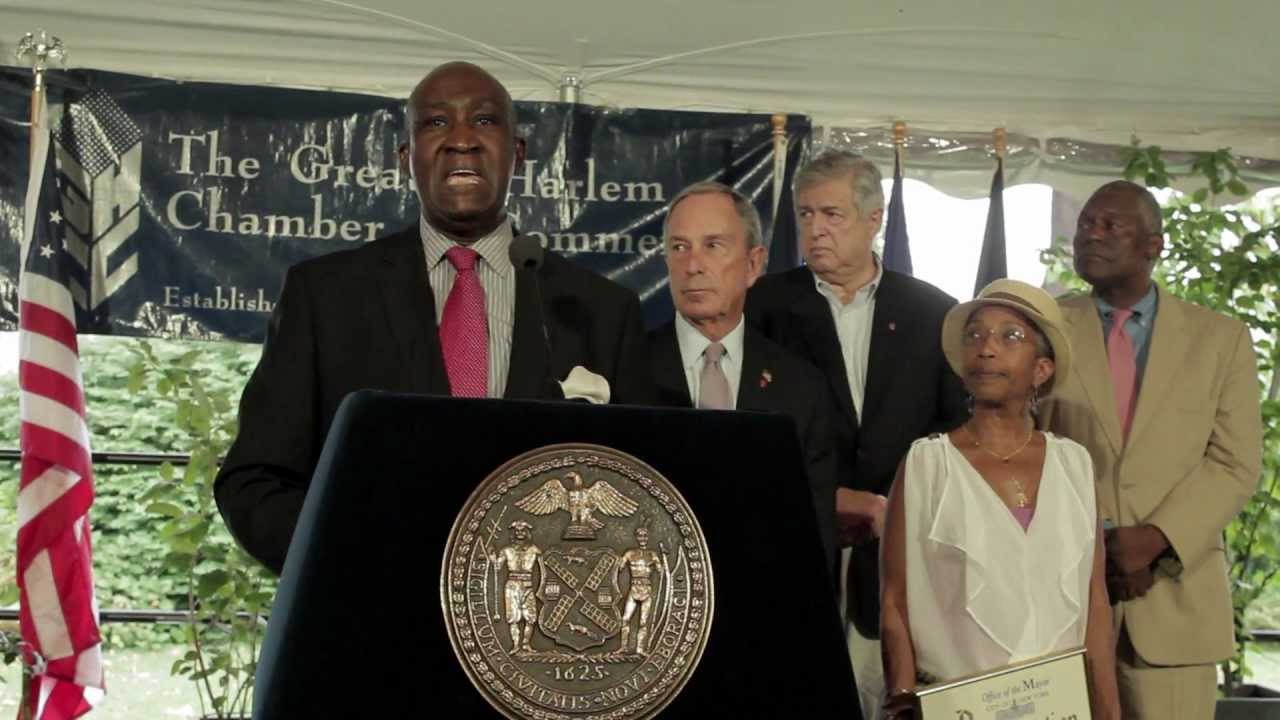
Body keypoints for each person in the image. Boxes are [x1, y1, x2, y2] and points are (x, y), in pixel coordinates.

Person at [215, 62, 652, 574]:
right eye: (436, 123)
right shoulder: (326, 296)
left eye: (485, 121)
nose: (461, 139)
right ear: (406, 157)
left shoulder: (599, 309)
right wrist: (344, 559)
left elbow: (647, 485)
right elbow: (254, 480)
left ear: (518, 154)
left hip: (541, 630)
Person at [744, 150, 966, 716]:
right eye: (806, 214)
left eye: (833, 215)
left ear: (875, 219)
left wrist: (896, 506)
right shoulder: (763, 306)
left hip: (898, 556)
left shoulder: (933, 312)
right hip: (797, 546)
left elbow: (954, 436)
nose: (816, 229)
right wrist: (831, 498)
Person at [1041, 181, 1262, 718]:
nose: (1091, 233)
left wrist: (1158, 538)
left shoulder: (1221, 339)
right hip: (1060, 605)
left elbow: (1235, 463)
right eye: (1086, 223)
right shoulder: (1046, 330)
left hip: (1173, 605)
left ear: (1153, 246)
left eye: (1110, 225)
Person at [879, 279, 1121, 720]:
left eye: (1010, 336)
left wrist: (1108, 710)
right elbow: (895, 601)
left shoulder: (1074, 465)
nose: (987, 348)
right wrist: (902, 699)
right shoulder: (928, 464)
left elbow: (1095, 600)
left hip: (1059, 707)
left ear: (1042, 369)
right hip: (959, 705)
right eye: (976, 335)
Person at [647, 181, 849, 570]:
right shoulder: (628, 366)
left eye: (713, 245)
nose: (693, 265)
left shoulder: (801, 387)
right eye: (679, 247)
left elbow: (815, 537)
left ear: (754, 264)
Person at [489, 520, 543, 654]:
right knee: (512, 617)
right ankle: (515, 645)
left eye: (523, 531)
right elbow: (497, 567)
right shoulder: (506, 551)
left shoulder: (534, 550)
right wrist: (492, 558)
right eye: (517, 531)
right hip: (512, 586)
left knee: (530, 618)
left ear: (527, 533)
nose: (520, 533)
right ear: (513, 533)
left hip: (528, 585)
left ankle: (525, 644)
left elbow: (544, 569)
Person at [616, 525, 664, 656]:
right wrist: (620, 562)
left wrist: (662, 561)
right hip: (633, 589)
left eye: (645, 536)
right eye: (640, 536)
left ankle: (640, 649)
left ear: (648, 538)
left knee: (643, 622)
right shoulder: (629, 553)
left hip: (646, 590)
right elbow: (619, 566)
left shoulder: (652, 555)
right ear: (637, 537)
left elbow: (662, 572)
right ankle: (623, 647)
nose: (642, 538)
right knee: (625, 619)